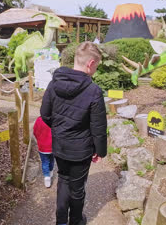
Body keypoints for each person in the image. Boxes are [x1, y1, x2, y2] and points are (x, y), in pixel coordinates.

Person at [40, 41, 107, 225]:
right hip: (81, 149)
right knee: (77, 189)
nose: (95, 71)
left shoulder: (54, 84)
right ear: (90, 64)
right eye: (97, 66)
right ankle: (76, 221)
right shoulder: (94, 91)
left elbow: (45, 114)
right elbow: (98, 125)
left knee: (63, 180)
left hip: (60, 145)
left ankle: (61, 221)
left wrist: (60, 129)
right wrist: (99, 150)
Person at [33, 116, 54, 188]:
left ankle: (46, 176)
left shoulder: (39, 120)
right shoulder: (54, 119)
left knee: (45, 162)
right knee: (51, 160)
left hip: (42, 147)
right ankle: (50, 172)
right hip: (53, 146)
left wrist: (38, 140)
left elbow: (35, 132)